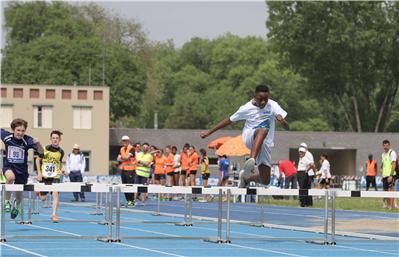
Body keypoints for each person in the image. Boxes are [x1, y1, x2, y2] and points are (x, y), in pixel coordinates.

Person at [200, 85, 290, 188]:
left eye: (266, 99)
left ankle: (246, 177)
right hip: (249, 137)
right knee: (263, 130)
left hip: (265, 143)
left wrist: (282, 121)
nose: (263, 102)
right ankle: (251, 162)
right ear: (254, 96)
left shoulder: (273, 106)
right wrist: (209, 132)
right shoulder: (246, 108)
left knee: (265, 180)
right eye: (260, 99)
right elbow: (229, 120)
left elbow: (287, 127)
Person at [1, 118, 44, 219]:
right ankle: (7, 202)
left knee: (19, 195)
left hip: (22, 171)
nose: (20, 133)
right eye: (18, 130)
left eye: (22, 131)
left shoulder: (28, 140)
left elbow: (41, 152)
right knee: (10, 178)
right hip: (9, 166)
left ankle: (16, 207)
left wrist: (38, 144)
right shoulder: (6, 136)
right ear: (13, 129)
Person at [36, 130, 66, 221]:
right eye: (53, 138)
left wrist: (62, 169)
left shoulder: (61, 151)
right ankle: (39, 192)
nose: (55, 140)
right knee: (43, 199)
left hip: (55, 176)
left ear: (60, 140)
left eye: (57, 138)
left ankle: (54, 215)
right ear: (50, 139)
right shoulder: (44, 149)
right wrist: (39, 173)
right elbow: (37, 160)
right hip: (44, 176)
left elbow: (59, 162)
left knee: (55, 193)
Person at [117, 135, 137, 207]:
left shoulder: (131, 148)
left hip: (131, 170)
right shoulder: (122, 149)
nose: (124, 142)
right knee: (124, 185)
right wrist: (124, 158)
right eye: (123, 141)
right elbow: (118, 159)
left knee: (130, 185)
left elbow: (127, 157)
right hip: (124, 169)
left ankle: (131, 200)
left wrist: (122, 158)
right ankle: (127, 200)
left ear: (128, 141)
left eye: (125, 141)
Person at [380, 140, 397, 210]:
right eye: (384, 145)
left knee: (391, 191)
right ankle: (387, 206)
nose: (385, 147)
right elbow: (383, 166)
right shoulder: (383, 154)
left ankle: (391, 207)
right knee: (386, 192)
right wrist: (382, 176)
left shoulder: (392, 153)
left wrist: (391, 175)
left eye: (387, 145)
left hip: (390, 175)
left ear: (389, 145)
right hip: (384, 176)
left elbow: (394, 164)